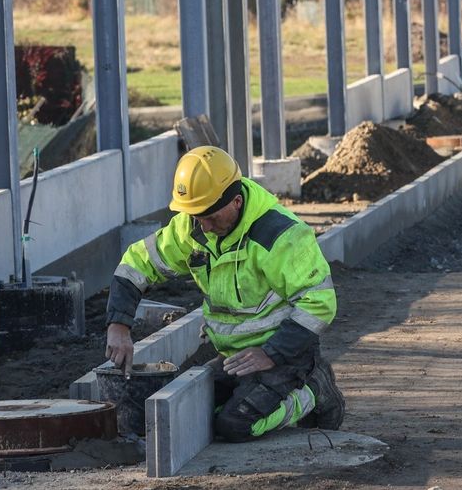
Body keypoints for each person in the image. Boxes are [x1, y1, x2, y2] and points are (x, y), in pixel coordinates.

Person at [104, 146, 344, 442]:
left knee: (234, 425)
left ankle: (314, 391)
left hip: (286, 356)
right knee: (189, 413)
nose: (203, 226)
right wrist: (119, 325)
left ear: (237, 202)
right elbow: (135, 264)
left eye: (210, 216)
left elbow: (319, 304)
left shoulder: (281, 236)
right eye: (195, 215)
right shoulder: (193, 227)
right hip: (233, 356)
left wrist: (271, 354)